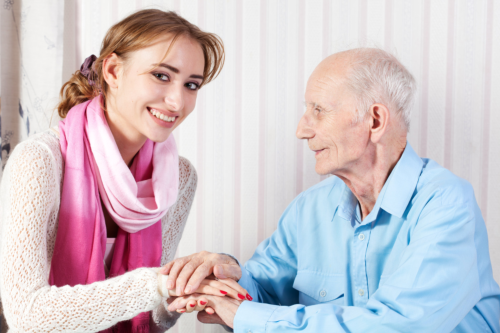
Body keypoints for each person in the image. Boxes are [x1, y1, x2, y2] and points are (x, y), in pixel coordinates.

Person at [163, 48, 500, 332]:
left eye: (318, 111)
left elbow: (399, 325)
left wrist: (245, 316)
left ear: (376, 121)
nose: (301, 130)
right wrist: (223, 277)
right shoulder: (310, 208)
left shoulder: (445, 204)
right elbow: (263, 291)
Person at [0, 9, 249, 332]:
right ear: (114, 71)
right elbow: (26, 314)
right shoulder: (39, 162)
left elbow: (152, 320)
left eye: (191, 84)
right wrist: (157, 284)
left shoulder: (180, 176)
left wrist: (188, 286)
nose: (177, 101)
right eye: (161, 75)